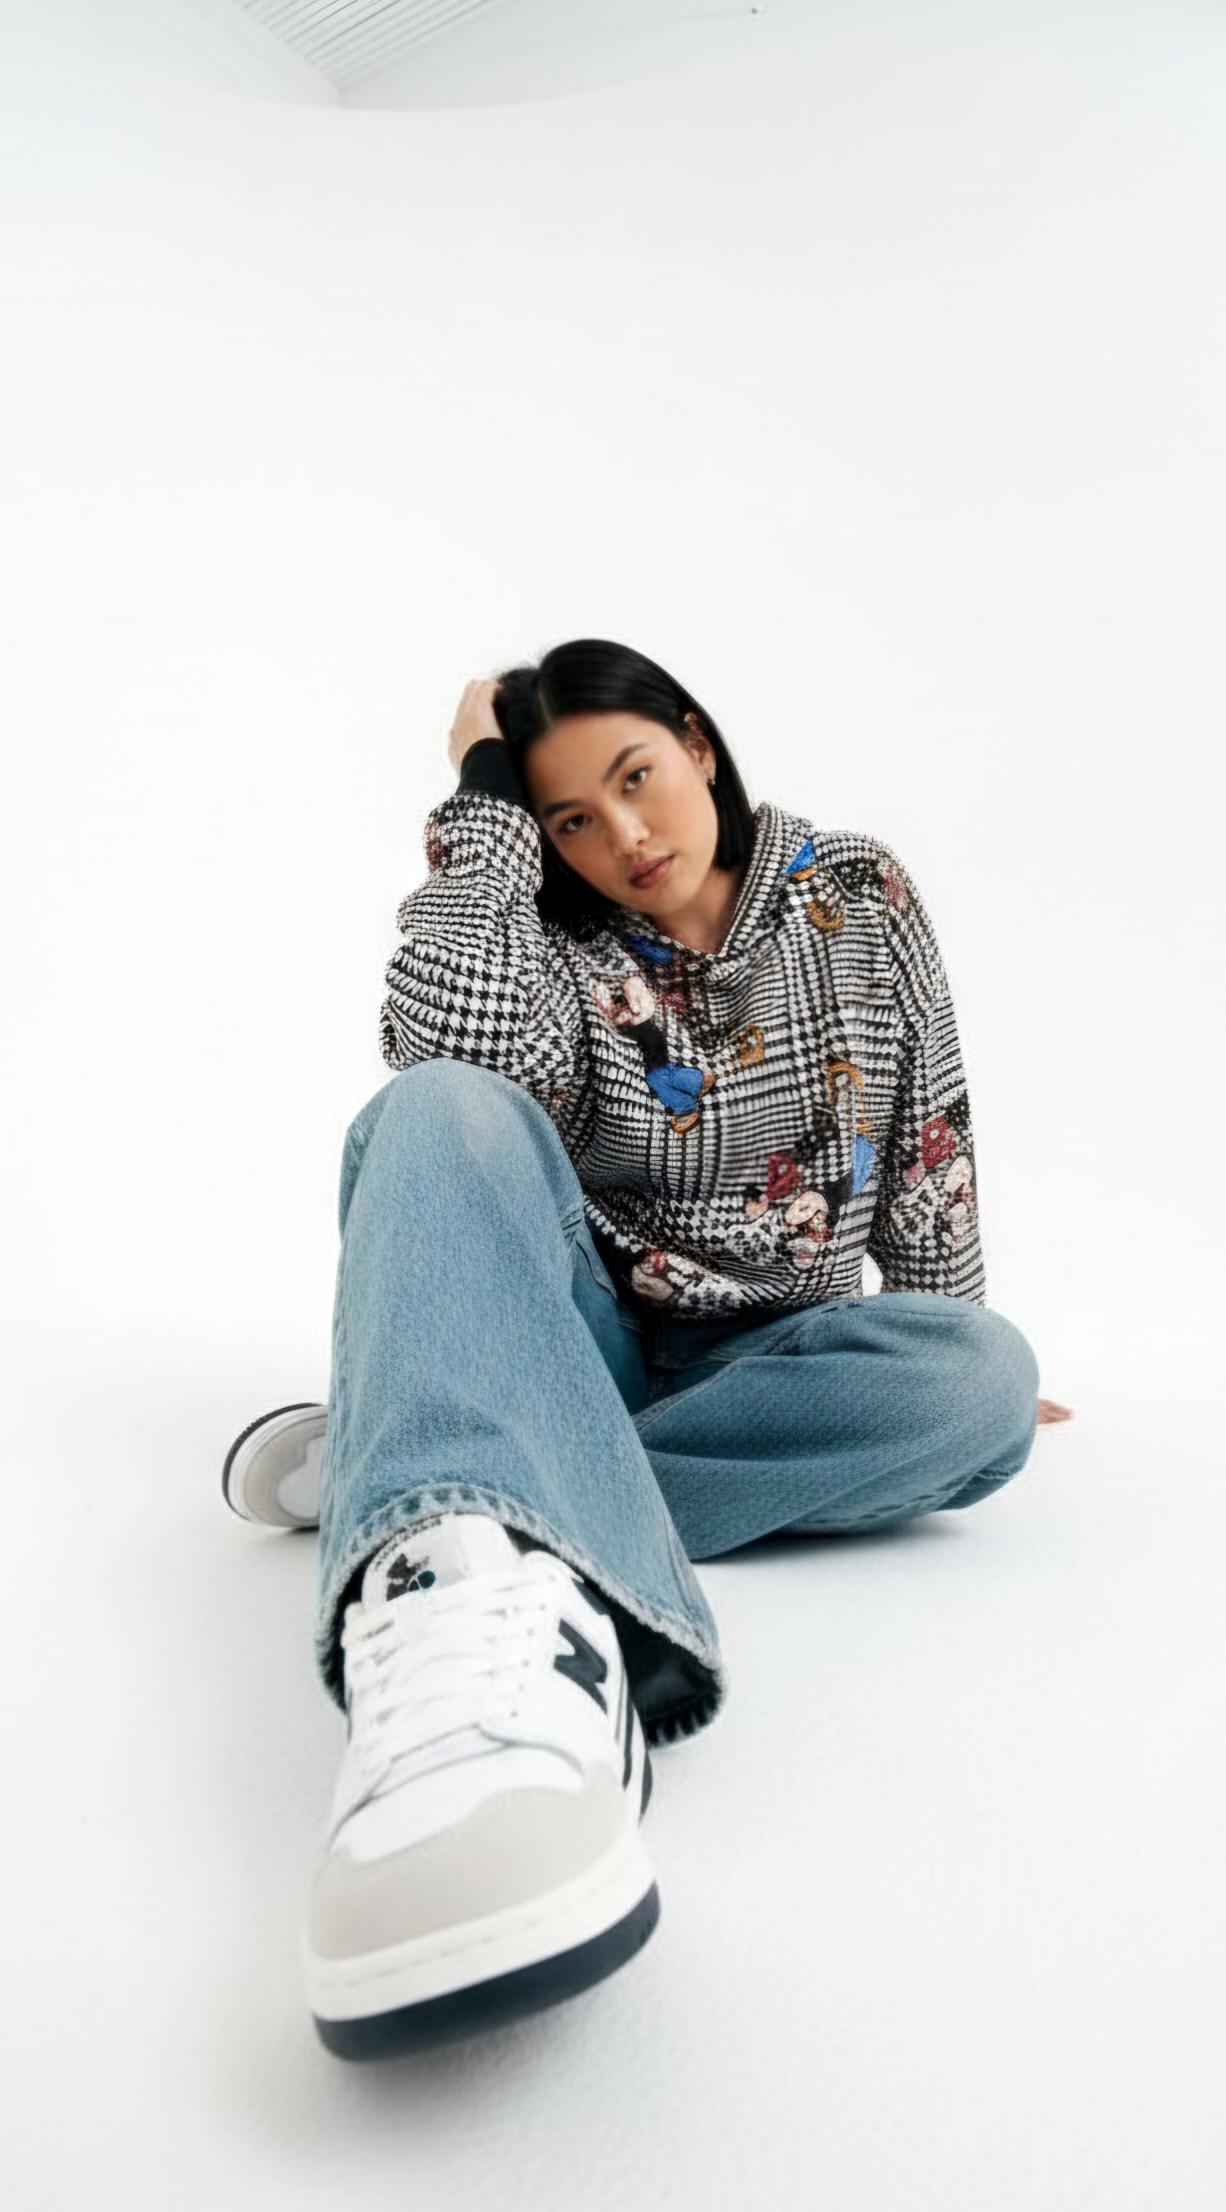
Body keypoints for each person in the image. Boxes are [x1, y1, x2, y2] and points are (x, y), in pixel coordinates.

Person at [221, 638, 1071, 2063]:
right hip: (593, 1334)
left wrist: (947, 1316)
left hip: (780, 1352)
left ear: (697, 743)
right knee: (435, 1112)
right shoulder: (544, 937)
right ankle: (453, 1432)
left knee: (979, 1377)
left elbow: (933, 1121)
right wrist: (484, 807)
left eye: (636, 778)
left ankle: (426, 1450)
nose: (622, 836)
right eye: (569, 816)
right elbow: (446, 1052)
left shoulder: (857, 892)